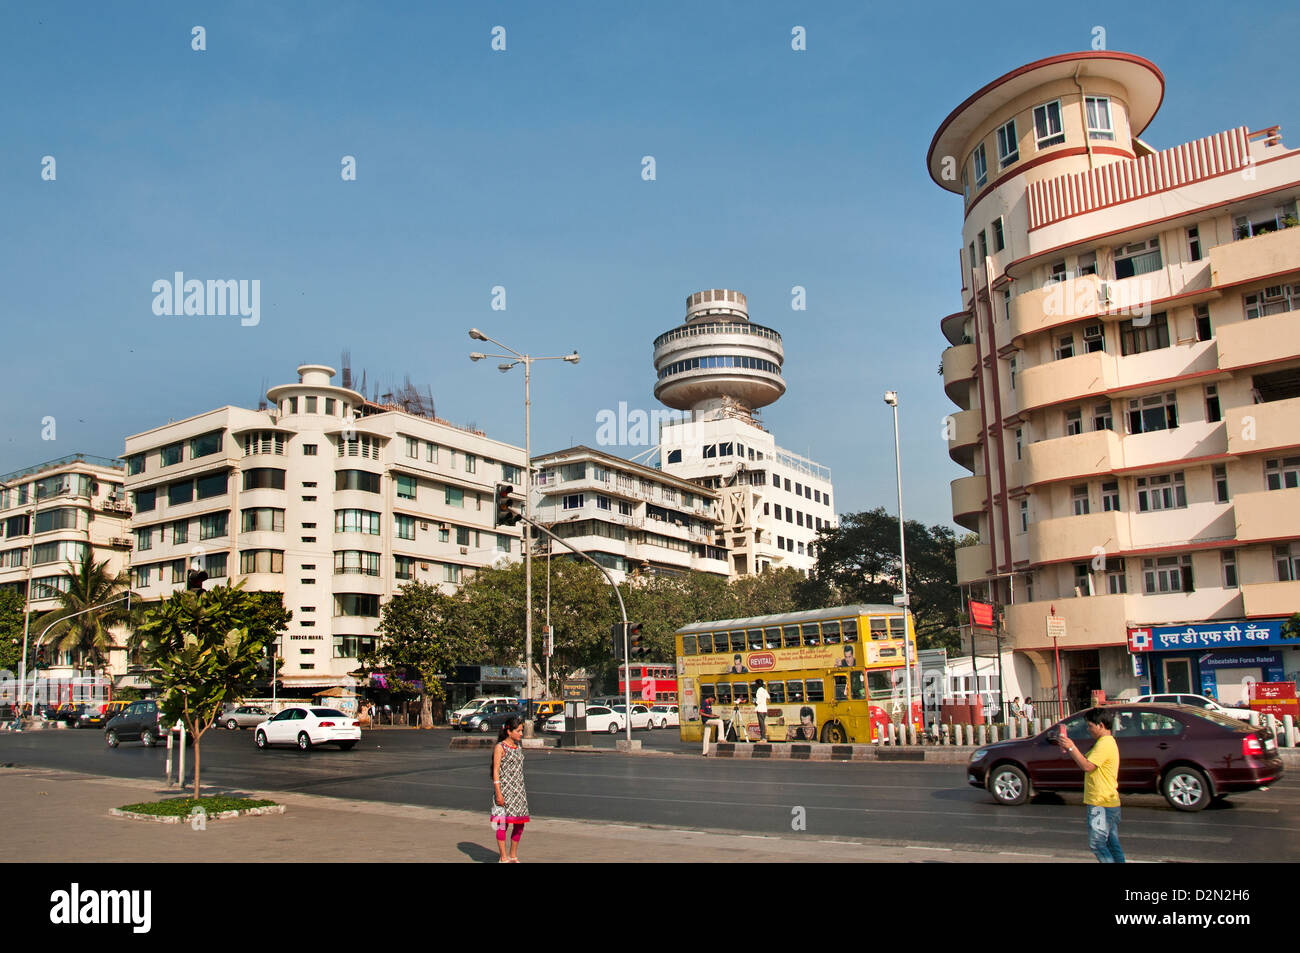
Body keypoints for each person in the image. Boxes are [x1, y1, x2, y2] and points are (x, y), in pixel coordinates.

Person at [1058, 708, 1125, 863]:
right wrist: (1068, 747)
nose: (1089, 730)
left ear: (1100, 725)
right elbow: (1084, 761)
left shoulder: (1105, 744)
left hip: (1100, 803)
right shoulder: (1105, 742)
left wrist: (1071, 747)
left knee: (1097, 843)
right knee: (1111, 842)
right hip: (1108, 803)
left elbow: (1087, 766)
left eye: (1090, 726)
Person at [491, 716, 530, 863]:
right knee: (502, 824)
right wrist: (498, 793)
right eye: (518, 731)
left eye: (522, 731)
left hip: (519, 791)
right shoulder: (500, 747)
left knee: (520, 824)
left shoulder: (518, 746)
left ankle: (513, 855)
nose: (521, 734)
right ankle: (503, 857)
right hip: (504, 791)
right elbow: (496, 771)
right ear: (509, 731)